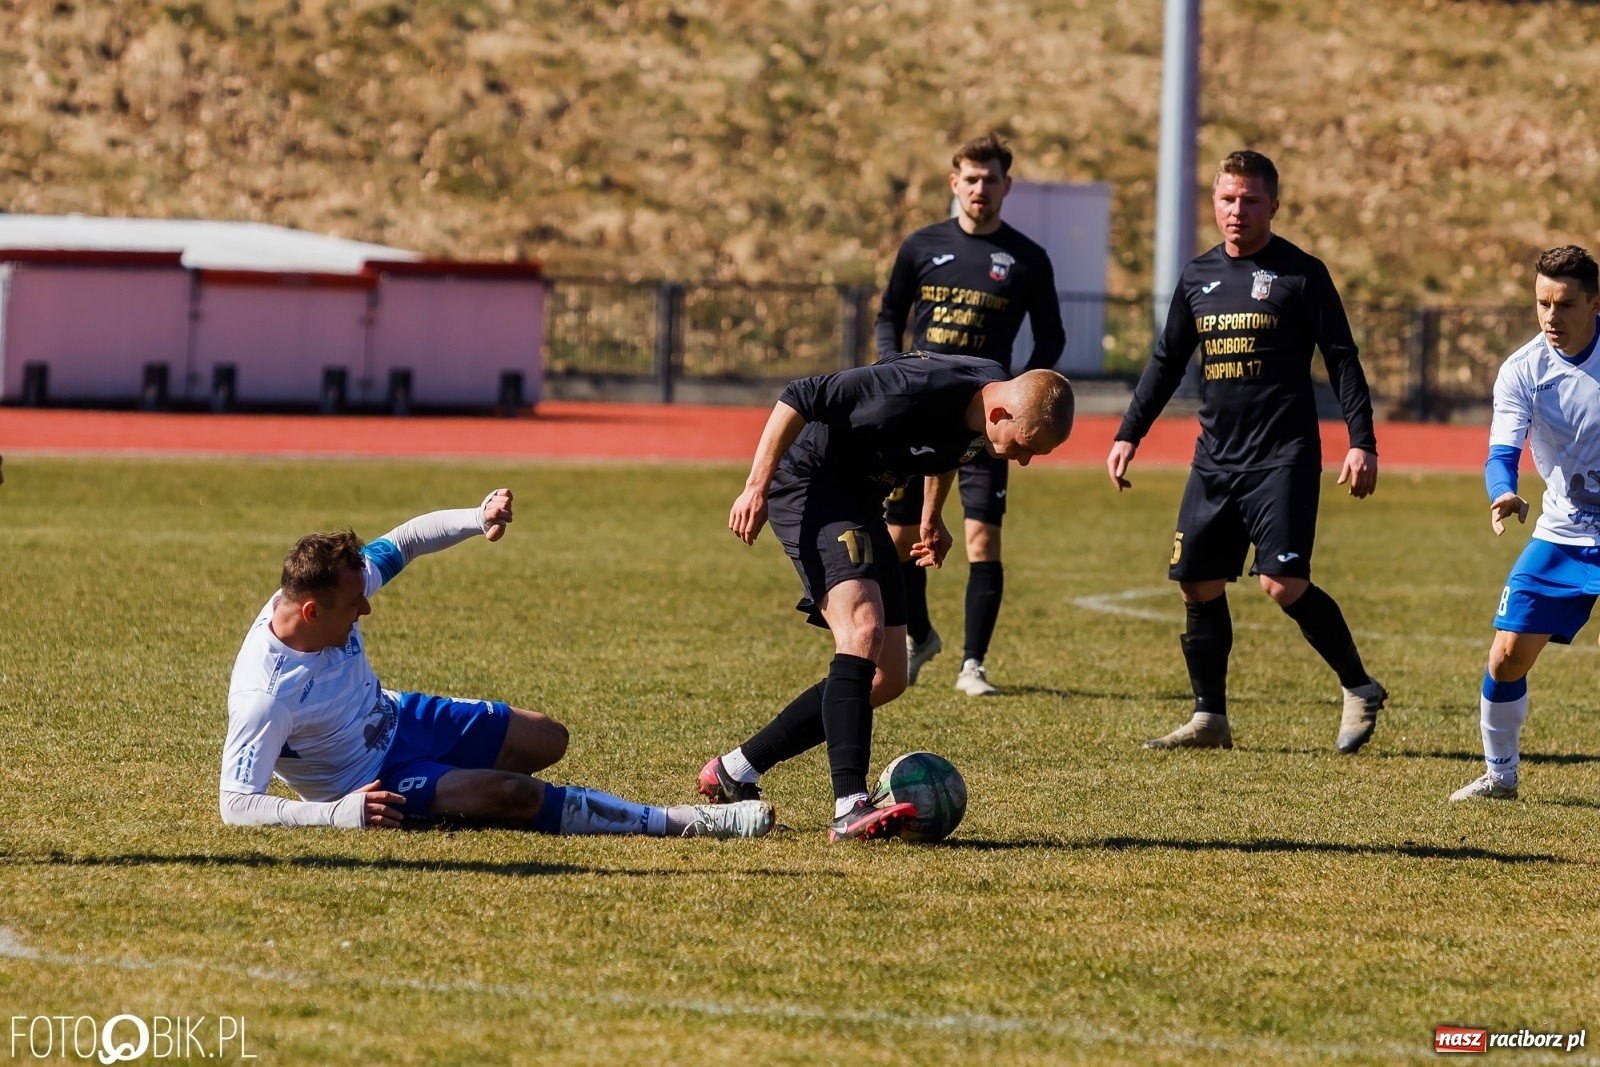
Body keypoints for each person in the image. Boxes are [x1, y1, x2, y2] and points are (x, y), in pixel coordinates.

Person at [219, 488, 774, 838]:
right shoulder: (265, 695)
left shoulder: (329, 589)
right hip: (372, 780)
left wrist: (476, 515)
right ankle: (684, 821)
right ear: (311, 611)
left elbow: (406, 540)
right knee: (515, 795)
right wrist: (339, 812)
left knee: (549, 739)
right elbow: (237, 805)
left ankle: (465, 789)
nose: (365, 606)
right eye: (352, 604)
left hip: (399, 715)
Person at [700, 353, 1075, 841]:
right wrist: (756, 487)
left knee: (888, 676)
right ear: (1001, 414)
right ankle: (850, 806)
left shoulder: (987, 404)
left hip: (862, 501)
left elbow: (951, 449)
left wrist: (931, 516)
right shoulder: (906, 388)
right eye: (1026, 448)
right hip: (811, 488)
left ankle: (734, 770)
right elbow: (799, 394)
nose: (1023, 460)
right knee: (863, 628)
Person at [1105, 150, 1387, 752]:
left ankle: (1359, 686)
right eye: (1227, 199)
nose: (1237, 211)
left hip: (1282, 455)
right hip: (1215, 459)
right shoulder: (1196, 276)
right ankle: (1211, 719)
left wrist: (1362, 441)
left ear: (1273, 206)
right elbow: (1165, 361)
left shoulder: (1302, 274)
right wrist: (1130, 432)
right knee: (1198, 583)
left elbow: (1342, 360)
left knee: (1282, 582)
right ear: (1214, 202)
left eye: (1250, 200)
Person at [875, 133, 1066, 697]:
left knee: (982, 539)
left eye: (992, 179)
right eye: (971, 178)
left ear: (1008, 185)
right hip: (917, 414)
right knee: (899, 536)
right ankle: (920, 635)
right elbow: (890, 314)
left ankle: (972, 665)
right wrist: (893, 368)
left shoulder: (1028, 258)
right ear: (955, 182)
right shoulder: (921, 245)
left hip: (988, 423)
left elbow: (1051, 336)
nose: (981, 188)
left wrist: (1018, 396)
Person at [1451, 246, 1600, 801]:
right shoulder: (1523, 369)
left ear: (1594, 302)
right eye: (1542, 303)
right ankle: (1500, 775)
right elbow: (1501, 453)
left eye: (1563, 305)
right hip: (1564, 532)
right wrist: (1503, 493)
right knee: (1507, 654)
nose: (1550, 318)